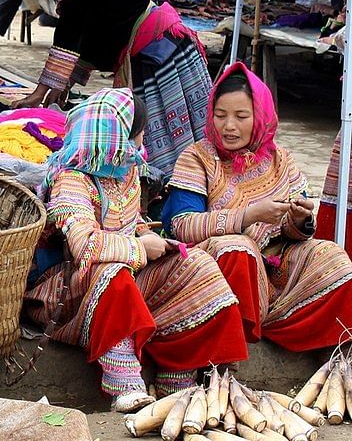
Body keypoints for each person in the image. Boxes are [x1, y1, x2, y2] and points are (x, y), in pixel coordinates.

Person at [24, 88, 247, 413]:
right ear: (114, 138)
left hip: (127, 275)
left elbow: (130, 222)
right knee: (110, 268)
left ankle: (178, 377)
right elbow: (86, 245)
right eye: (138, 137)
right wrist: (140, 247)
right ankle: (124, 381)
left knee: (196, 263)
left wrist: (148, 236)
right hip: (68, 290)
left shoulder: (125, 172)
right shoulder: (71, 181)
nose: (141, 146)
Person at [162, 62, 352, 354]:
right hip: (218, 267)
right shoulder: (198, 158)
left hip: (276, 265)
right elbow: (182, 225)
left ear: (260, 117)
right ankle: (231, 346)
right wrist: (249, 216)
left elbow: (294, 231)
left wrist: (300, 220)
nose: (228, 126)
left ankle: (309, 339)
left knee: (333, 257)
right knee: (239, 249)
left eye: (241, 116)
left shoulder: (280, 159)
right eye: (220, 115)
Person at [12, 0, 212, 180]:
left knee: (165, 139)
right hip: (163, 49)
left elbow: (67, 41)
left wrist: (39, 94)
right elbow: (87, 38)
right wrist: (63, 84)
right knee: (185, 134)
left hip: (159, 56)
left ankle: (180, 188)